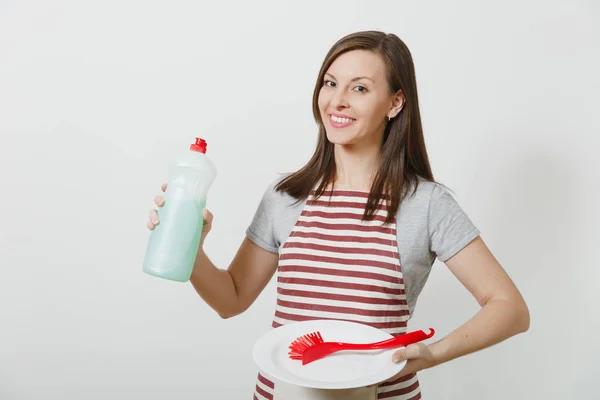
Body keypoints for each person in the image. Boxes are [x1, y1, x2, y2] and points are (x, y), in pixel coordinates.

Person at [147, 30, 530, 400]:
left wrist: (433, 354)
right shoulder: (286, 198)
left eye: (359, 88)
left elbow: (510, 308)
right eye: (330, 84)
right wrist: (189, 247)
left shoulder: (425, 204)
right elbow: (231, 300)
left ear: (395, 103)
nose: (337, 101)